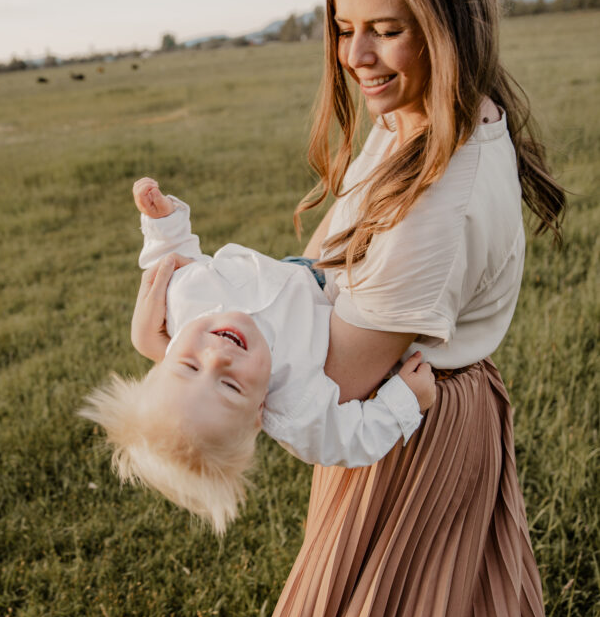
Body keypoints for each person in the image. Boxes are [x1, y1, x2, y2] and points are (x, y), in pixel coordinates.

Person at [229, 0, 585, 617]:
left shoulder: (439, 189)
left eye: (386, 31)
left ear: (449, 26)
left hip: (409, 434)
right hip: (418, 416)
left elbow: (339, 377)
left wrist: (207, 349)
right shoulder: (416, 124)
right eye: (346, 29)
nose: (356, 56)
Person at [81, 178, 435, 535]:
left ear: (167, 353)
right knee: (407, 221)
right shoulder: (295, 411)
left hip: (298, 268)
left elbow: (171, 259)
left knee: (369, 188)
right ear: (258, 414)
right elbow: (352, 438)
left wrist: (162, 221)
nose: (217, 359)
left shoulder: (183, 305)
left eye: (189, 366)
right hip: (338, 293)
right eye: (231, 386)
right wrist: (404, 401)